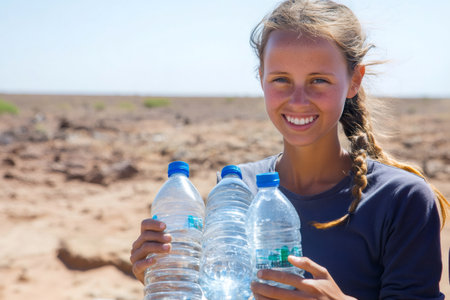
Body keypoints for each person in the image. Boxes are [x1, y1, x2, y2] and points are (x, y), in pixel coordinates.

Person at [130, 0, 449, 299]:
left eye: (319, 80)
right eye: (281, 79)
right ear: (261, 79)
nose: (298, 100)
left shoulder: (402, 199)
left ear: (354, 80)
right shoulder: (237, 187)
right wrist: (167, 274)